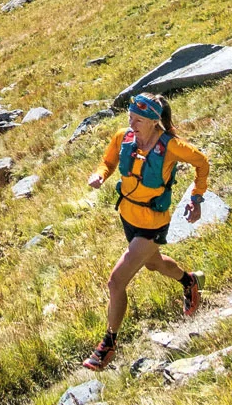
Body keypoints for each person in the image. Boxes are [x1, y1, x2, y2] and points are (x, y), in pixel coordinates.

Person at [81, 92, 210, 370]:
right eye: (130, 118)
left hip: (152, 222)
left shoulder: (172, 146)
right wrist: (100, 175)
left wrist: (196, 198)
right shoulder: (123, 138)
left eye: (138, 120)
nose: (132, 124)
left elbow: (202, 162)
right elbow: (109, 161)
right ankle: (189, 281)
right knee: (153, 263)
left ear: (154, 121)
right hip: (128, 215)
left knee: (116, 282)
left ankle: (108, 344)